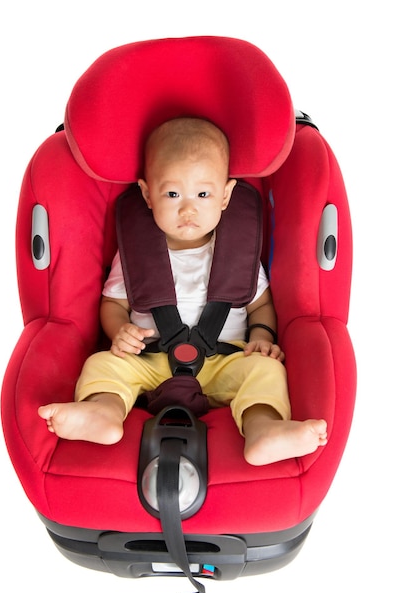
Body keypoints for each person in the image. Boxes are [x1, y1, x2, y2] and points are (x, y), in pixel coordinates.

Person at [38, 117, 327, 465]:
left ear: (225, 196)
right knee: (103, 364)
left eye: (203, 194)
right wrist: (120, 331)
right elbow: (113, 303)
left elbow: (260, 304)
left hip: (226, 360)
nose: (188, 208)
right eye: (172, 193)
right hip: (148, 360)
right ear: (147, 193)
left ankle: (262, 427)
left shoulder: (237, 251)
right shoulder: (136, 252)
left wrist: (263, 336)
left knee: (266, 371)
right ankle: (104, 411)